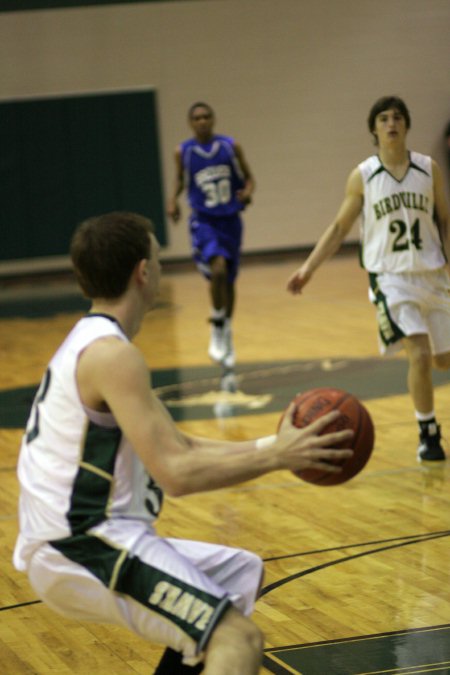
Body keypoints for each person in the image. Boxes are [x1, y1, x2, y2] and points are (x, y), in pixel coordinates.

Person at [13, 211, 354, 675]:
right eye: (156, 252)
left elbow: (179, 444)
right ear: (144, 271)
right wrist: (279, 456)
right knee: (238, 638)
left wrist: (272, 446)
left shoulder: (95, 341)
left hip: (74, 539)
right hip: (81, 543)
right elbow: (175, 473)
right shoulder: (113, 356)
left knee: (238, 574)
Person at [287, 96, 450, 462]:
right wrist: (308, 269)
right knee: (419, 355)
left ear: (406, 126)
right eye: (383, 119)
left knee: (443, 361)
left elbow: (445, 219)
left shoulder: (428, 169)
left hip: (433, 274)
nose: (391, 123)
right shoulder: (364, 175)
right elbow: (339, 226)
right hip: (390, 278)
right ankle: (428, 433)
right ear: (373, 130)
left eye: (397, 118)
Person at [167, 102, 255, 371]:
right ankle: (217, 322)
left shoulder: (230, 146)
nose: (202, 121)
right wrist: (173, 200)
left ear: (213, 119)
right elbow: (181, 180)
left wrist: (248, 192)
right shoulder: (183, 151)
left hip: (231, 220)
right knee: (217, 269)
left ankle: (225, 329)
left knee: (228, 280)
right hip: (204, 221)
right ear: (190, 123)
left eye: (206, 117)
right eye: (196, 118)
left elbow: (250, 178)